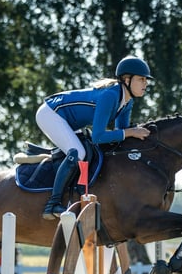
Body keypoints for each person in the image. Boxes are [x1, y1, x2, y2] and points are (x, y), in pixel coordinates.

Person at [36, 55, 152, 219]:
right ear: (127, 79)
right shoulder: (110, 96)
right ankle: (52, 204)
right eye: (141, 79)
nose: (145, 84)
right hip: (50, 113)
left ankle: (77, 193)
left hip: (67, 120)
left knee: (88, 151)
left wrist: (139, 132)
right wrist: (132, 132)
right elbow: (98, 136)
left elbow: (122, 130)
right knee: (79, 152)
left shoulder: (127, 101)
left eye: (146, 80)